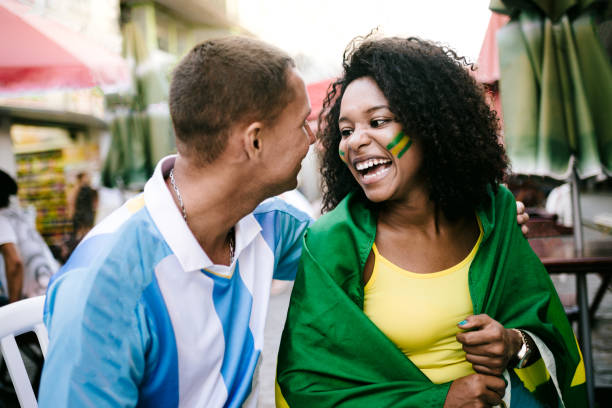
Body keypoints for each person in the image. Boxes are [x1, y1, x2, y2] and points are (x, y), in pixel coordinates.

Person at [276, 36, 586, 407]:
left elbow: (546, 331)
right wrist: (440, 401)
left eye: (378, 121)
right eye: (345, 130)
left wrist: (512, 344)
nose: (355, 142)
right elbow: (309, 387)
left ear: (430, 124)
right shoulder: (330, 245)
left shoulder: (494, 213)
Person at [38, 36, 315, 407]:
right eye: (302, 124)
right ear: (256, 141)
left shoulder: (273, 222)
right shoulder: (103, 288)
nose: (312, 138)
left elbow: (364, 246)